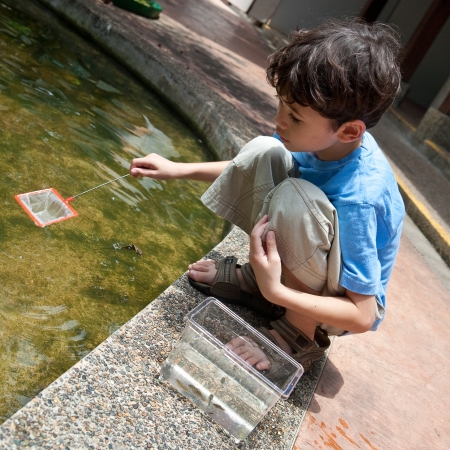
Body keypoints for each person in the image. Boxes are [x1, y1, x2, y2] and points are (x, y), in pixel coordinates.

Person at [129, 19, 405, 373]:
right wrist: (177, 168)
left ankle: (295, 333)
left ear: (349, 130)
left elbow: (363, 315)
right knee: (264, 150)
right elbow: (248, 164)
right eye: (281, 105)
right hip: (311, 266)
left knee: (294, 197)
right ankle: (257, 286)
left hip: (338, 305)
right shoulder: (326, 141)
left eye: (295, 116)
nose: (279, 121)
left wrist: (279, 293)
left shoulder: (361, 197)